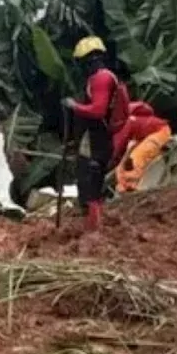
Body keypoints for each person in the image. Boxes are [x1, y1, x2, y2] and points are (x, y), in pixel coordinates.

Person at [63, 36, 129, 231]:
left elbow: (98, 110)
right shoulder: (102, 78)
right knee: (88, 180)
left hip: (97, 138)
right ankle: (92, 224)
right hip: (96, 137)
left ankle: (94, 227)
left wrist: (74, 106)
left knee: (90, 182)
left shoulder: (101, 79)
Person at [115, 101, 172, 193]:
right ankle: (132, 183)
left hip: (160, 132)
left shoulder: (128, 122)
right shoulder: (131, 120)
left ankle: (139, 184)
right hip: (150, 134)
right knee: (134, 155)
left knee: (138, 156)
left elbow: (119, 143)